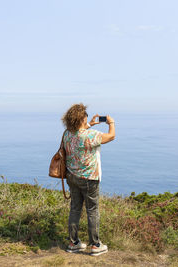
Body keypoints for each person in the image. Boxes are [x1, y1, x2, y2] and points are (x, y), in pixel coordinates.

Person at [61, 103, 115, 256]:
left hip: (72, 176)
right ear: (81, 119)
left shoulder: (67, 133)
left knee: (75, 209)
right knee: (92, 210)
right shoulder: (90, 136)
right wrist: (111, 122)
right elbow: (111, 136)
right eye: (85, 116)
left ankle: (74, 242)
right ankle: (95, 245)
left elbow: (80, 134)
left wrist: (89, 124)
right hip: (89, 178)